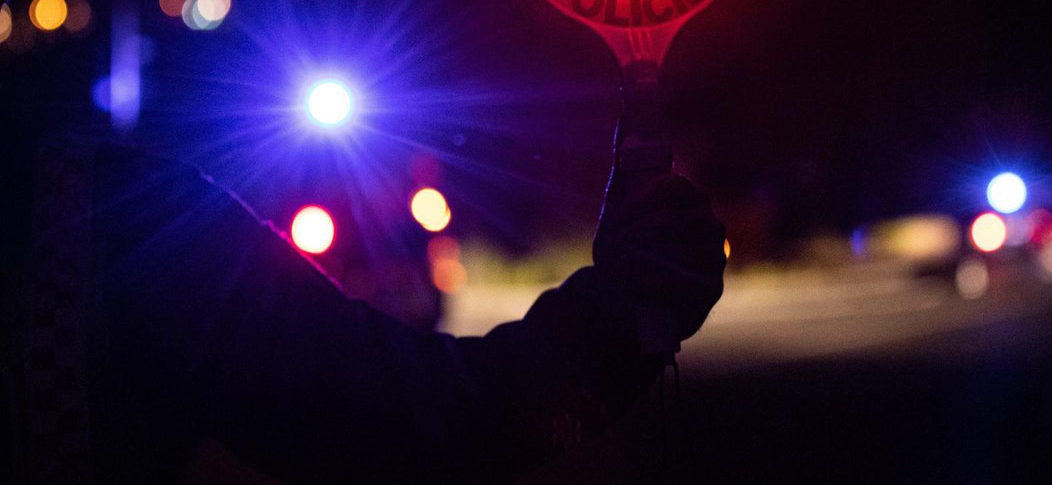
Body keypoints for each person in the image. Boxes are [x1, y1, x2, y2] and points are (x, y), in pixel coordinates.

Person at [2, 116, 727, 483]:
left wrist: (618, 311)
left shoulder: (92, 209)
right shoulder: (96, 210)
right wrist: (620, 312)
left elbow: (397, 409)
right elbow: (412, 417)